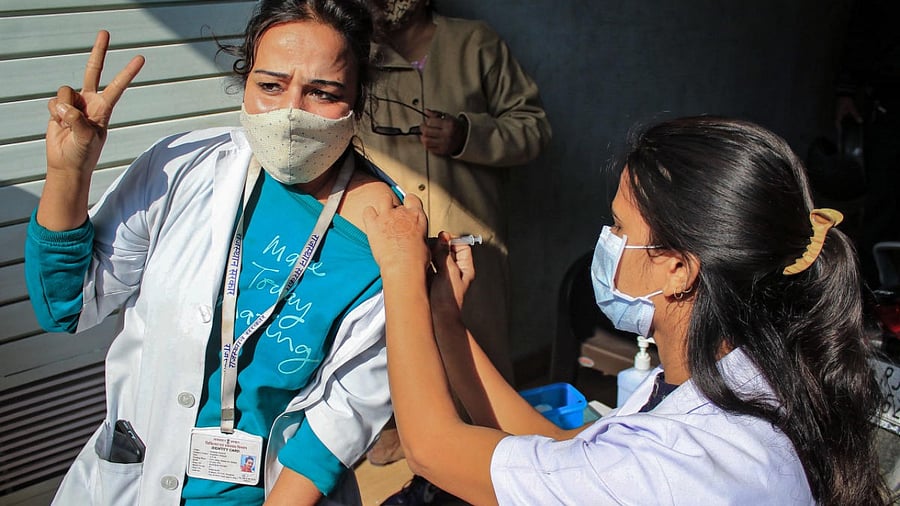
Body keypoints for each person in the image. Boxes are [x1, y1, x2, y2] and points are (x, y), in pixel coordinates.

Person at [363, 116, 893, 505]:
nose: (606, 241)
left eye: (619, 227)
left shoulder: (674, 464)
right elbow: (564, 450)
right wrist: (447, 323)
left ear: (678, 270)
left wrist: (400, 272)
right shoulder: (742, 374)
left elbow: (433, 448)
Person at [25, 0, 397, 504]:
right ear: (244, 82)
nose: (291, 110)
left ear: (358, 99)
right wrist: (69, 173)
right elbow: (66, 304)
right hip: (131, 486)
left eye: (323, 92)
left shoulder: (384, 235)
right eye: (270, 85)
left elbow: (344, 417)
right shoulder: (182, 170)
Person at [357, 0, 552, 475]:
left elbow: (533, 128)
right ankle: (395, 433)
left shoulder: (475, 43)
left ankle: (493, 462)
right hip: (386, 236)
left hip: (465, 241)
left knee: (474, 347)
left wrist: (468, 134)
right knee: (386, 342)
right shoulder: (358, 51)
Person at [834, 0, 900, 289]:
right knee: (882, 204)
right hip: (890, 107)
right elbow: (864, 30)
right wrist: (846, 92)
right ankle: (874, 295)